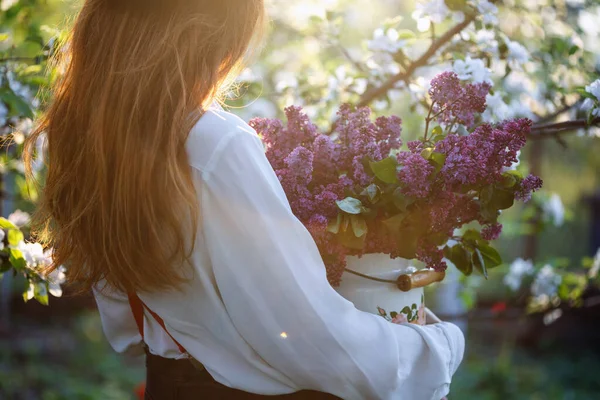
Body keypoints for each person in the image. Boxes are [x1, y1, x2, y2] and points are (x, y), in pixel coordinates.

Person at [23, 0, 465, 399]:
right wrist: (435, 348)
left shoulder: (88, 143)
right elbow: (311, 337)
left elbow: (126, 326)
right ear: (205, 38)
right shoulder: (215, 144)